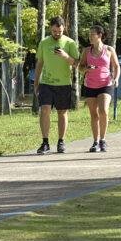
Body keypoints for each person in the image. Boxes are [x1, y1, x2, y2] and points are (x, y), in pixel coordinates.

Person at [34, 16, 80, 154]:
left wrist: (66, 56)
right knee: (45, 110)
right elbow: (40, 63)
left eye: (59, 31)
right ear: (50, 29)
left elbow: (77, 64)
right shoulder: (44, 43)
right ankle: (45, 142)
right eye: (54, 31)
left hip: (63, 83)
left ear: (63, 28)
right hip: (46, 83)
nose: (57, 34)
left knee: (62, 112)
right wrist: (36, 82)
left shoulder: (70, 43)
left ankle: (61, 141)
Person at [78, 25, 120, 153]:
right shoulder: (86, 51)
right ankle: (95, 142)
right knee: (94, 114)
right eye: (89, 34)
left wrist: (116, 78)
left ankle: (103, 139)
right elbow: (80, 67)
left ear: (100, 35)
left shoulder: (109, 50)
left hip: (106, 84)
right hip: (90, 85)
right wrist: (86, 69)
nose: (90, 37)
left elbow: (116, 66)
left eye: (92, 34)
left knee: (103, 111)